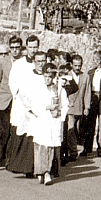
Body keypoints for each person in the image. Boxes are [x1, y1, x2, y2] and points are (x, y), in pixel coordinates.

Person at [28, 56, 70, 185]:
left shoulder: (59, 90)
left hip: (53, 122)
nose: (47, 79)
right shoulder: (38, 89)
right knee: (41, 147)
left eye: (50, 77)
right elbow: (33, 105)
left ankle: (46, 172)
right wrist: (47, 107)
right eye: (45, 76)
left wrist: (60, 116)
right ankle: (41, 171)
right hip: (41, 121)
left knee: (50, 148)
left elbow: (65, 105)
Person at [7, 37, 41, 176]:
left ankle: (33, 168)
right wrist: (23, 99)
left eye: (35, 47)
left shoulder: (40, 63)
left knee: (34, 137)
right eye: (30, 47)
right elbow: (13, 83)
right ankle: (19, 166)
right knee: (22, 136)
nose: (33, 50)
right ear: (26, 48)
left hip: (37, 106)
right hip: (22, 105)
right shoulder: (19, 64)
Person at [0, 36, 21, 168]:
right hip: (4, 100)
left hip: (18, 101)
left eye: (17, 48)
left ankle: (10, 159)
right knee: (3, 130)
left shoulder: (23, 62)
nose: (15, 50)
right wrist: (3, 93)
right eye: (13, 48)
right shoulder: (2, 62)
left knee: (14, 131)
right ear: (10, 49)